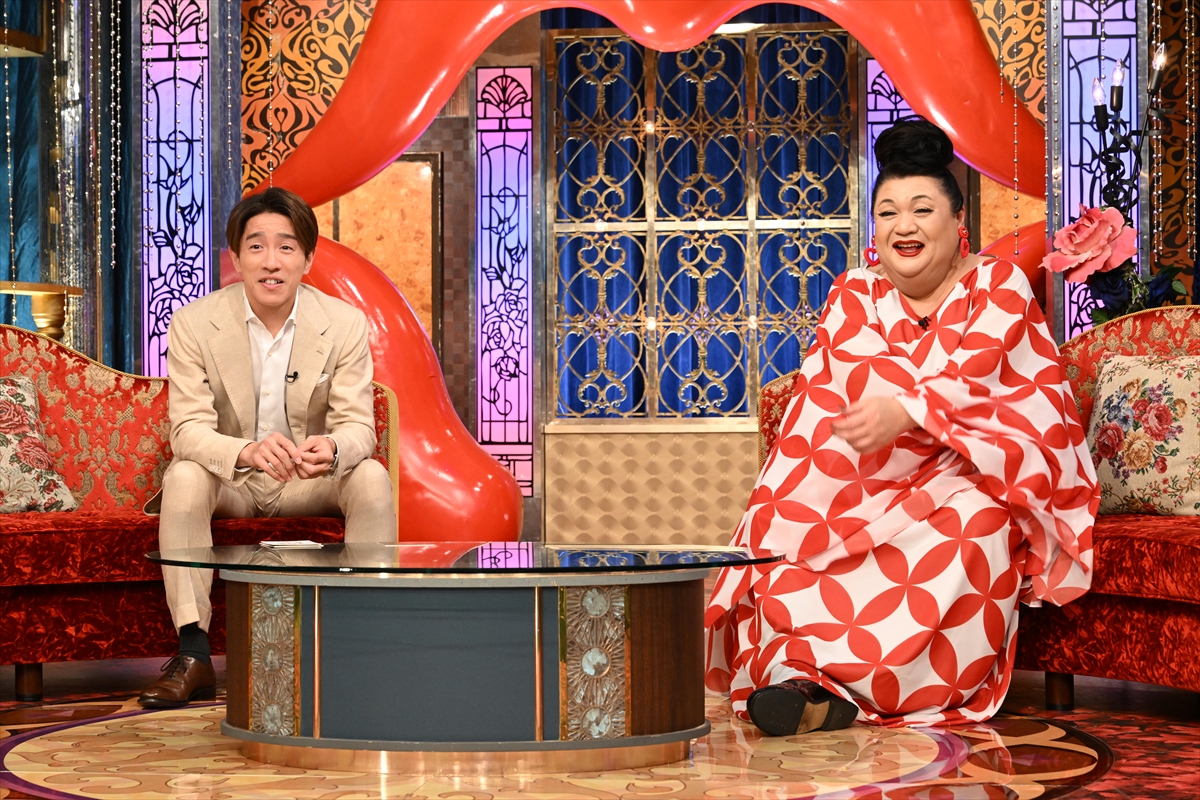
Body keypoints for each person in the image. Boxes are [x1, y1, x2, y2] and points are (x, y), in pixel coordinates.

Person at [705, 118, 1098, 735]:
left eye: (921, 209)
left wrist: (911, 409)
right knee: (783, 535)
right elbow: (840, 392)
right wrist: (896, 411)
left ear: (958, 219)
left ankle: (881, 689)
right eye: (887, 213)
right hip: (861, 482)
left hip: (965, 478)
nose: (903, 226)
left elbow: (995, 386)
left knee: (976, 526)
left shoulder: (997, 284)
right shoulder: (855, 293)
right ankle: (803, 681)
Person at [138, 187, 397, 708]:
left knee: (371, 474)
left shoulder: (344, 323)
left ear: (307, 258)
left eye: (286, 247)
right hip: (233, 480)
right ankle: (193, 653)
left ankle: (362, 647)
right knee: (183, 474)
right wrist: (246, 451)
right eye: (256, 246)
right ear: (236, 259)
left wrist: (332, 447)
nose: (271, 261)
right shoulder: (194, 323)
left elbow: (359, 427)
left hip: (307, 481)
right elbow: (186, 429)